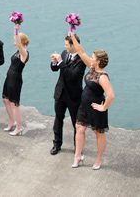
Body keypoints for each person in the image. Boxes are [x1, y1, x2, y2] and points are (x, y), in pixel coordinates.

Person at [69, 32, 115, 169]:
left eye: (93, 57)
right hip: (84, 106)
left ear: (98, 61)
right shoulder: (91, 67)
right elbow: (80, 51)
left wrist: (103, 107)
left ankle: (99, 159)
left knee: (98, 133)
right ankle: (78, 156)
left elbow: (111, 95)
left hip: (96, 108)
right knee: (79, 128)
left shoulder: (102, 77)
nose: (90, 57)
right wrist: (72, 37)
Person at [49, 32, 85, 155]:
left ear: (73, 45)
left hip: (74, 95)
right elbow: (55, 69)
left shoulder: (82, 59)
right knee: (58, 119)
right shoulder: (64, 54)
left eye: (66, 45)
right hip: (60, 93)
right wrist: (54, 62)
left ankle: (77, 147)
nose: (65, 47)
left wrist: (60, 62)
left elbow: (73, 76)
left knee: (76, 122)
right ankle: (56, 144)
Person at [2, 24, 29, 136]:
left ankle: (18, 127)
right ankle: (11, 121)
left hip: (15, 79)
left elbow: (18, 43)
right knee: (6, 100)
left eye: (16, 39)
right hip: (9, 77)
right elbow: (17, 44)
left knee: (14, 104)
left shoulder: (24, 53)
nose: (14, 41)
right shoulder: (18, 52)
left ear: (21, 41)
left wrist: (16, 29)